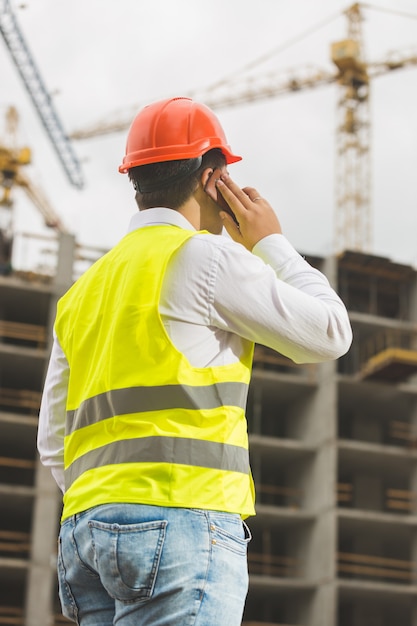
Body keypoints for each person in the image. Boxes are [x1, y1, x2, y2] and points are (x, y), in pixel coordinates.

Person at [37, 96, 352, 626]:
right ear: (213, 178)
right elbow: (329, 333)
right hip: (181, 520)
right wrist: (270, 243)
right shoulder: (205, 258)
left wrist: (112, 503)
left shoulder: (82, 291)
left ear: (136, 179)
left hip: (85, 533)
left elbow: (52, 440)